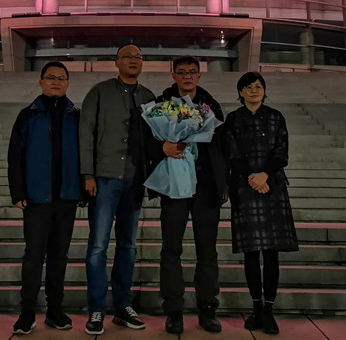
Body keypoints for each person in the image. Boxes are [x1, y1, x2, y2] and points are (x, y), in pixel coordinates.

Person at [80, 43, 182, 336]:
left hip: (134, 181)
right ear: (117, 62)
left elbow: (155, 139)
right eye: (128, 56)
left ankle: (123, 306)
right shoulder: (99, 92)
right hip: (103, 179)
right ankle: (96, 309)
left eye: (138, 57)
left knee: (127, 246)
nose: (134, 61)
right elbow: (85, 133)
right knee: (98, 246)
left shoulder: (149, 98)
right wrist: (87, 173)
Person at [7, 61, 81, 336]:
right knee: (34, 256)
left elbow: (85, 153)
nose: (56, 82)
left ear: (68, 83)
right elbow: (15, 156)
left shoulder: (76, 116)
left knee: (59, 257)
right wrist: (18, 192)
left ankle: (54, 310)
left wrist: (83, 189)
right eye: (51, 77)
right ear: (40, 82)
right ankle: (27, 312)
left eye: (61, 78)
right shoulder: (28, 115)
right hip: (37, 198)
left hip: (66, 197)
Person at [154, 56, 226, 335]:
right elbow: (149, 139)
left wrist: (223, 183)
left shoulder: (212, 105)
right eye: (182, 72)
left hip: (206, 186)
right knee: (171, 248)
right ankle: (173, 310)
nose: (187, 76)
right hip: (175, 184)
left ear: (199, 76)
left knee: (207, 249)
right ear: (173, 75)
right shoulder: (162, 104)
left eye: (192, 72)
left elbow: (221, 148)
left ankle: (207, 308)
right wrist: (162, 147)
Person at [223, 72, 299, 336]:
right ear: (240, 92)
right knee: (251, 252)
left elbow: (281, 152)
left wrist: (264, 174)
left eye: (258, 86)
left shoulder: (276, 117)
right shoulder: (233, 119)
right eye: (248, 87)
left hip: (272, 186)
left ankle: (268, 310)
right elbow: (231, 154)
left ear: (264, 91)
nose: (254, 90)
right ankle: (256, 308)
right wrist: (252, 178)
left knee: (271, 252)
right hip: (244, 187)